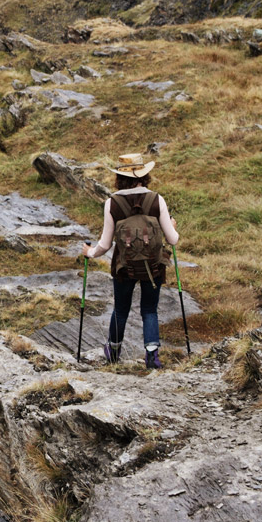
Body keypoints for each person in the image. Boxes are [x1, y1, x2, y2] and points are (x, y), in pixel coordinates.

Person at [82, 152, 179, 368]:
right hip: (154, 266)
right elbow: (172, 239)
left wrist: (90, 252)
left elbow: (105, 245)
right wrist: (171, 228)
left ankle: (113, 352)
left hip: (123, 266)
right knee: (149, 310)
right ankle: (152, 356)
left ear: (119, 177)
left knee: (121, 310)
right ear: (143, 175)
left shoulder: (112, 203)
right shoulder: (157, 199)